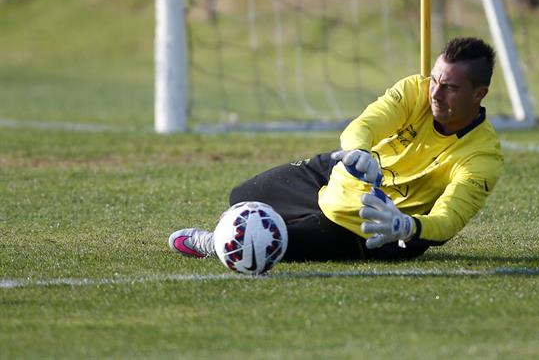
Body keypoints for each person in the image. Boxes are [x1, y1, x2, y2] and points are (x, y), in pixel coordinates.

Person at [169, 37, 503, 261]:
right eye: (434, 80)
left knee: (261, 243)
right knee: (240, 196)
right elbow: (363, 126)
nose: (435, 93)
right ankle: (276, 219)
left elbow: (448, 220)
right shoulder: (414, 90)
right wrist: (361, 152)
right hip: (340, 176)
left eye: (449, 87)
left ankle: (216, 242)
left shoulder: (482, 156)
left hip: (373, 227)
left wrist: (407, 227)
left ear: (479, 94)